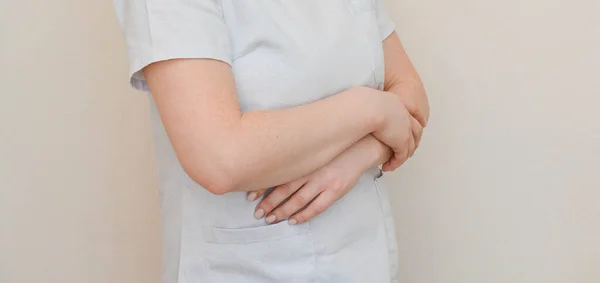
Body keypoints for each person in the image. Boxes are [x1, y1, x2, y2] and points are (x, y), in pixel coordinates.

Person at [114, 0, 429, 282]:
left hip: (366, 259)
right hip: (249, 268)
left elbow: (409, 94)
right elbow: (219, 158)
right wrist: (369, 109)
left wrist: (359, 156)